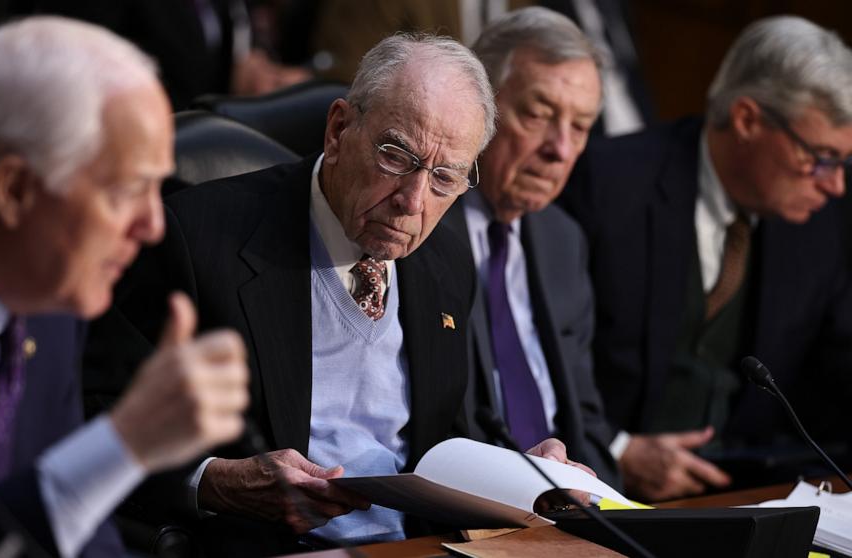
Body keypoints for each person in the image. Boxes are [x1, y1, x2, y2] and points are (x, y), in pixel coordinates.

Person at [86, 32, 591, 555]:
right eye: (396, 157)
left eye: (444, 178)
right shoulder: (195, 240)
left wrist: (524, 474)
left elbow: (448, 435)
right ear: (338, 130)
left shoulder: (445, 260)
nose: (413, 202)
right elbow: (91, 421)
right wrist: (214, 480)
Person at [0, 17, 249, 557]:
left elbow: (76, 525)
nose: (153, 225)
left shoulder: (48, 295)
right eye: (127, 190)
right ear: (15, 190)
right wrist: (125, 443)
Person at [561, 15, 852, 501]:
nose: (835, 183)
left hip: (751, 498)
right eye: (820, 157)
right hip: (604, 494)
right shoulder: (609, 185)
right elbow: (549, 357)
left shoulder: (820, 218)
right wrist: (618, 449)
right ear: (747, 120)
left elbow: (839, 366)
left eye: (844, 162)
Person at [443, 7, 617, 488]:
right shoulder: (421, 225)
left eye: (579, 127)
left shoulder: (563, 239)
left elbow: (585, 417)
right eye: (539, 115)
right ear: (479, 109)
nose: (560, 149)